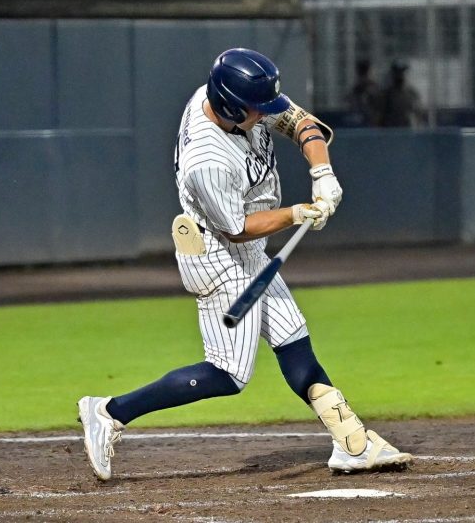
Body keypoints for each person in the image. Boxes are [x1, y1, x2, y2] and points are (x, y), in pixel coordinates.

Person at [77, 48, 413, 481]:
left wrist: (322, 173)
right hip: (217, 256)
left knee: (294, 341)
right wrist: (296, 213)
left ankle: (353, 442)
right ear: (233, 108)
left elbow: (302, 123)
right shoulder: (207, 161)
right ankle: (109, 412)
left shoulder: (233, 100)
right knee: (228, 373)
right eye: (259, 109)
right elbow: (236, 228)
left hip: (249, 253)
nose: (267, 114)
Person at [377, 59, 425, 128]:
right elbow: (380, 117)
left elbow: (418, 114)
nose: (400, 75)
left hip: (408, 130)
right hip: (391, 130)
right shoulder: (386, 95)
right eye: (397, 72)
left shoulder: (412, 94)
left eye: (402, 72)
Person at [345, 59, 381, 127]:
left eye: (365, 71)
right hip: (359, 121)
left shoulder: (373, 87)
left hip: (372, 122)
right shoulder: (356, 89)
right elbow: (350, 104)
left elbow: (378, 106)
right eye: (362, 72)